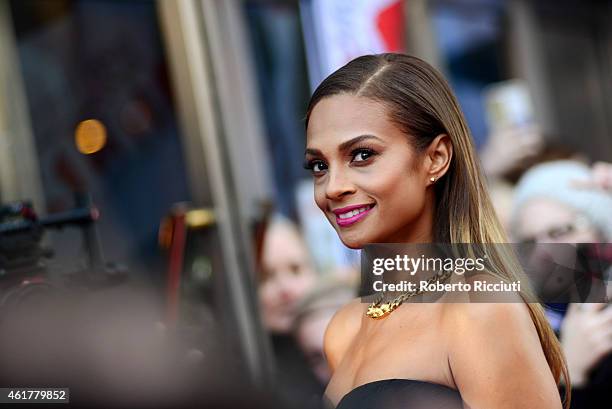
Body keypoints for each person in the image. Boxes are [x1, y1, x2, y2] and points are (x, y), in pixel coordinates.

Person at [303, 53, 568, 408]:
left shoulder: (479, 306)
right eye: (319, 165)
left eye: (362, 155)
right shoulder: (344, 327)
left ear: (436, 158)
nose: (332, 187)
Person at [511, 160, 612, 409]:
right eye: (531, 241)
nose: (545, 251)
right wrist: (571, 375)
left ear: (600, 229)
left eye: (559, 232)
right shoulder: (526, 335)